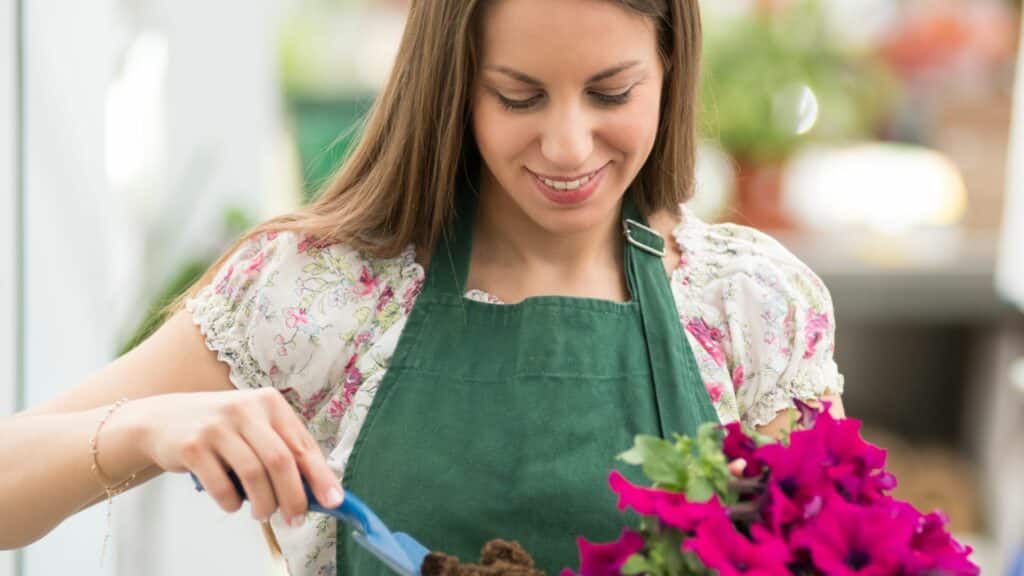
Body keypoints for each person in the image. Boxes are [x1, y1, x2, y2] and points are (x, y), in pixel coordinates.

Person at [0, 0, 846, 574]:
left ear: (670, 66)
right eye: (518, 97)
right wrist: (153, 424)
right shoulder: (323, 291)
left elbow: (836, 541)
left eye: (610, 93)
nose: (566, 143)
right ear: (454, 84)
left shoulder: (751, 307)